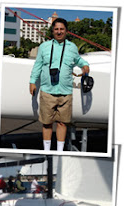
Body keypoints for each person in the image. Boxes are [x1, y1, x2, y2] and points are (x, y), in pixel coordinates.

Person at [29, 18, 90, 151]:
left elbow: (78, 60)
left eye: (62, 29)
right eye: (56, 29)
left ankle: (60, 151)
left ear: (66, 31)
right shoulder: (44, 47)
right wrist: (32, 81)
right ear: (52, 31)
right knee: (46, 124)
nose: (59, 31)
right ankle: (46, 150)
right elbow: (37, 65)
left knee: (63, 123)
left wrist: (85, 66)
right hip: (47, 91)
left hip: (65, 92)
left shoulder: (72, 47)